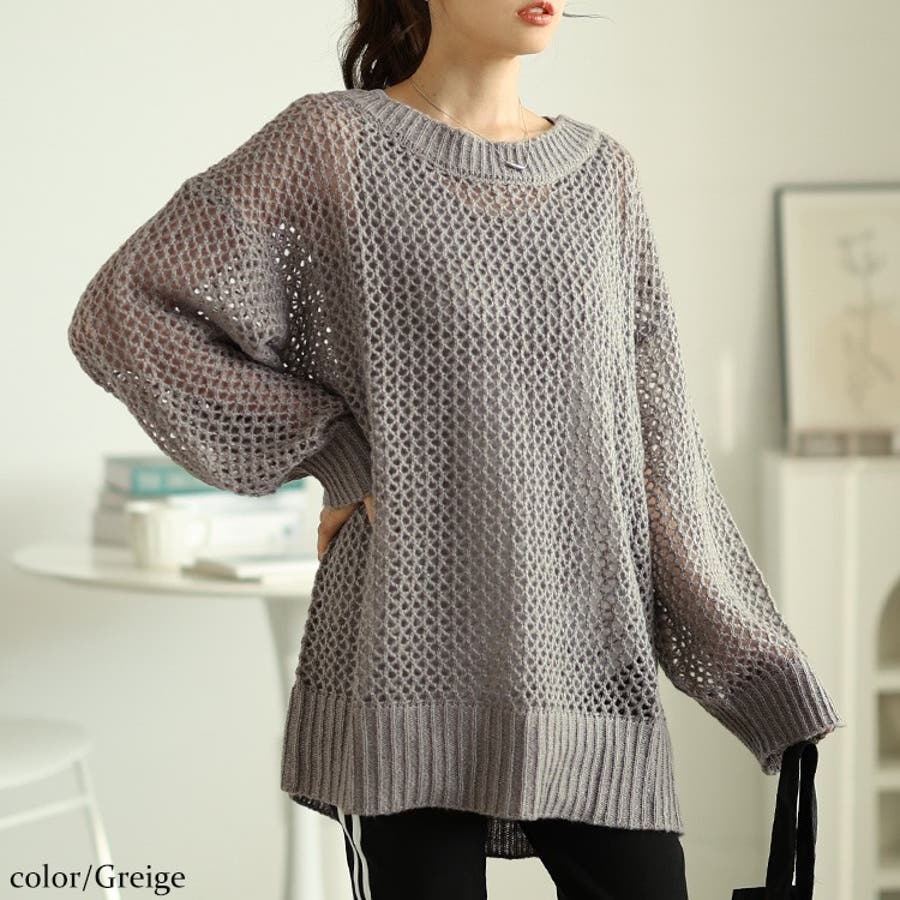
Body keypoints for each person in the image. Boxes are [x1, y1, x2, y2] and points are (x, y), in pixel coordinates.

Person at [67, 1, 845, 897]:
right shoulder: (330, 144)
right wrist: (338, 453)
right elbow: (126, 312)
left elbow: (657, 454)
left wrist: (759, 671)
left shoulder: (605, 179)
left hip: (590, 673)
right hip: (402, 673)